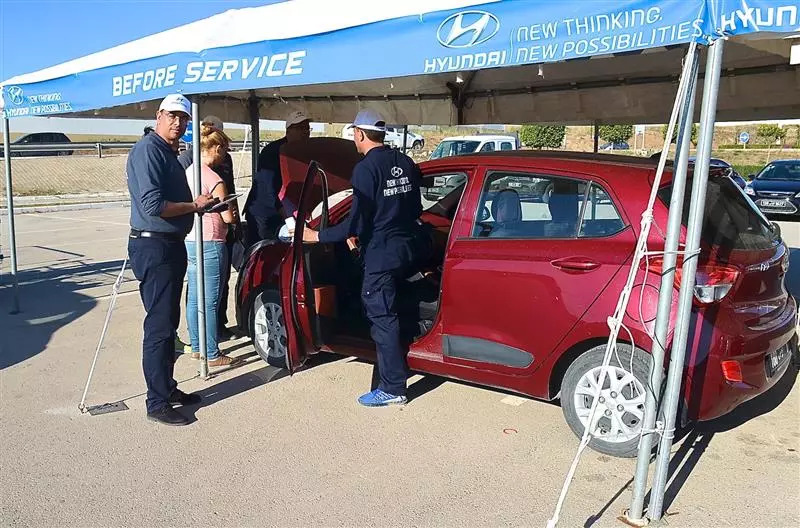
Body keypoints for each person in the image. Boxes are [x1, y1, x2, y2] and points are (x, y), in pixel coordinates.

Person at [299, 110, 426, 407]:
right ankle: (399, 365)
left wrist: (316, 236)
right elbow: (415, 207)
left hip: (381, 254)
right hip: (407, 249)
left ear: (359, 134)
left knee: (382, 317)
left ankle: (393, 388)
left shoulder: (366, 169)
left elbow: (357, 223)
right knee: (398, 310)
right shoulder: (405, 162)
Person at [127, 94, 215, 426]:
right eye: (173, 116)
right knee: (160, 327)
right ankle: (156, 401)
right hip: (155, 247)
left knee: (168, 322)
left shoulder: (167, 151)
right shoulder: (149, 150)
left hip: (168, 244)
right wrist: (194, 206)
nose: (178, 123)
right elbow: (152, 205)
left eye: (183, 118)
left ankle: (167, 387)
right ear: (159, 116)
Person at [184, 124, 242, 368]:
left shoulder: (189, 171)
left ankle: (197, 346)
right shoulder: (215, 178)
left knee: (195, 297)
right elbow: (227, 216)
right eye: (225, 150)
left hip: (191, 238)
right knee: (211, 299)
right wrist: (235, 215)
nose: (225, 156)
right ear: (216, 148)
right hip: (212, 239)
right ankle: (211, 351)